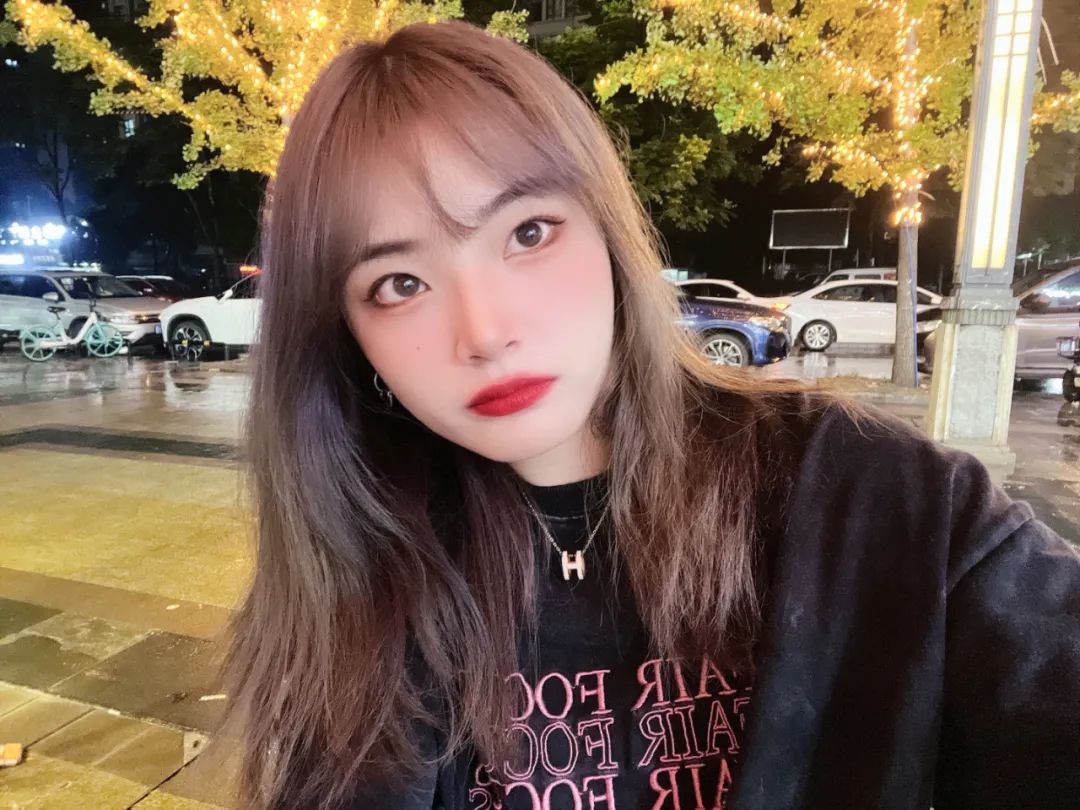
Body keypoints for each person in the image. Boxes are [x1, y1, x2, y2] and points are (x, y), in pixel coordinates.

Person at [221, 20, 1080, 810]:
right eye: (400, 284)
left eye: (528, 233)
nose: (484, 333)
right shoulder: (350, 577)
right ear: (347, 337)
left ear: (606, 227)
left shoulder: (881, 505)